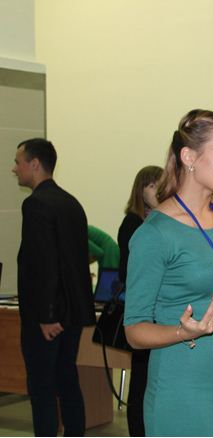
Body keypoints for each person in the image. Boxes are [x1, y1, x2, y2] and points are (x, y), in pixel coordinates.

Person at [123, 109, 213, 437]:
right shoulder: (155, 234)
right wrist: (184, 332)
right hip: (181, 390)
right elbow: (134, 331)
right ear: (189, 157)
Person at [12, 138, 96, 436]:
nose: (14, 168)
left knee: (42, 388)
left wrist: (48, 315)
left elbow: (44, 264)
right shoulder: (71, 203)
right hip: (71, 314)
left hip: (47, 318)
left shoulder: (35, 204)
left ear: (34, 164)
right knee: (67, 379)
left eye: (18, 162)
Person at [117, 165, 163, 437]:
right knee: (141, 381)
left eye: (161, 185)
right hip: (143, 315)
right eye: (152, 186)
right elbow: (127, 271)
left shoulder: (165, 222)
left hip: (160, 315)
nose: (158, 191)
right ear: (140, 190)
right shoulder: (134, 224)